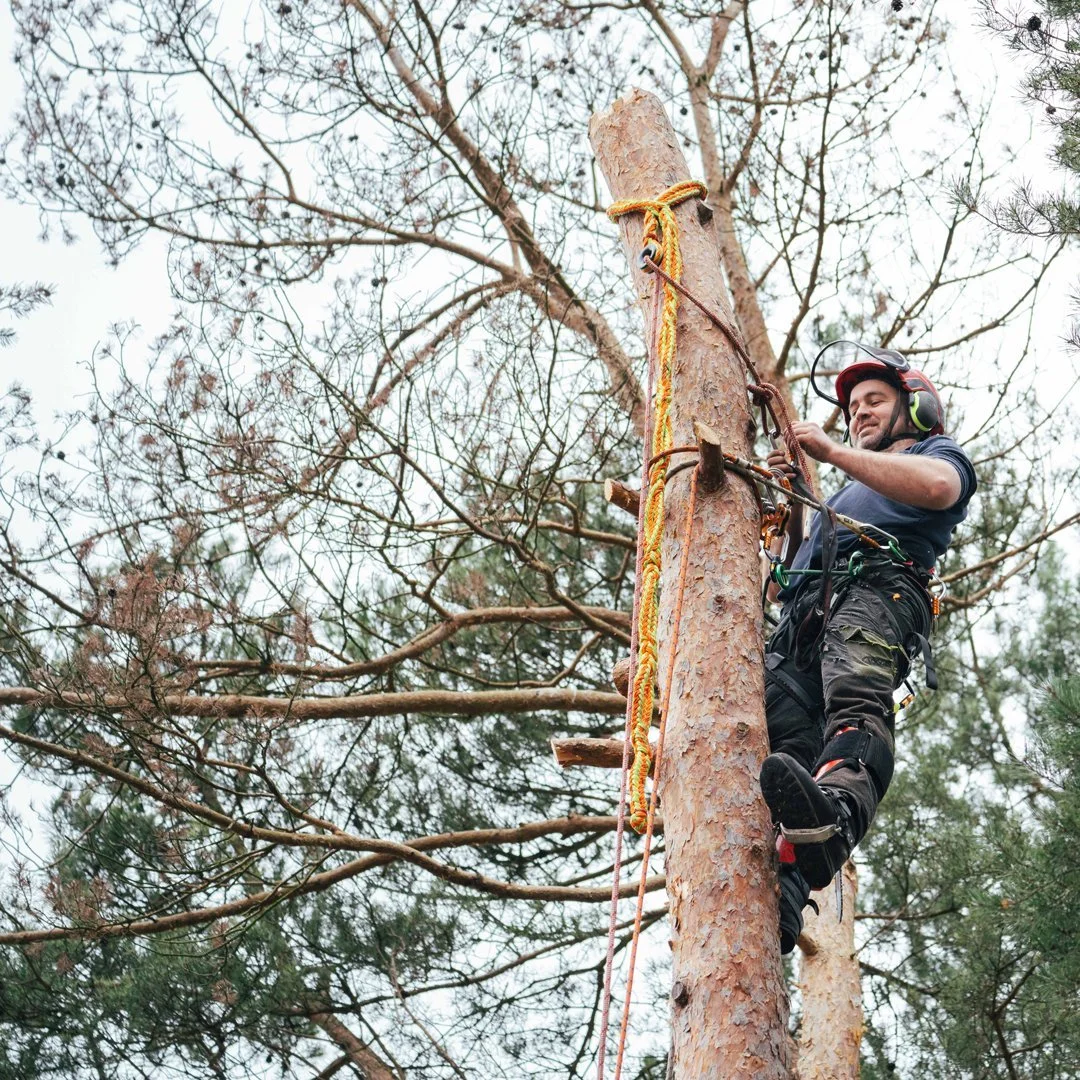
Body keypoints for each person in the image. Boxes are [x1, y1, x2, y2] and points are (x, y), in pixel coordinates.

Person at [760, 342, 977, 953]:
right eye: (853, 407)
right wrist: (796, 505)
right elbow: (783, 578)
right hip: (803, 620)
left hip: (876, 592)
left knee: (855, 705)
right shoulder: (842, 496)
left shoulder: (935, 454)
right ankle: (785, 882)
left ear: (918, 408)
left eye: (874, 400)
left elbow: (940, 488)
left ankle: (834, 823)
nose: (859, 413)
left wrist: (832, 452)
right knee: (785, 745)